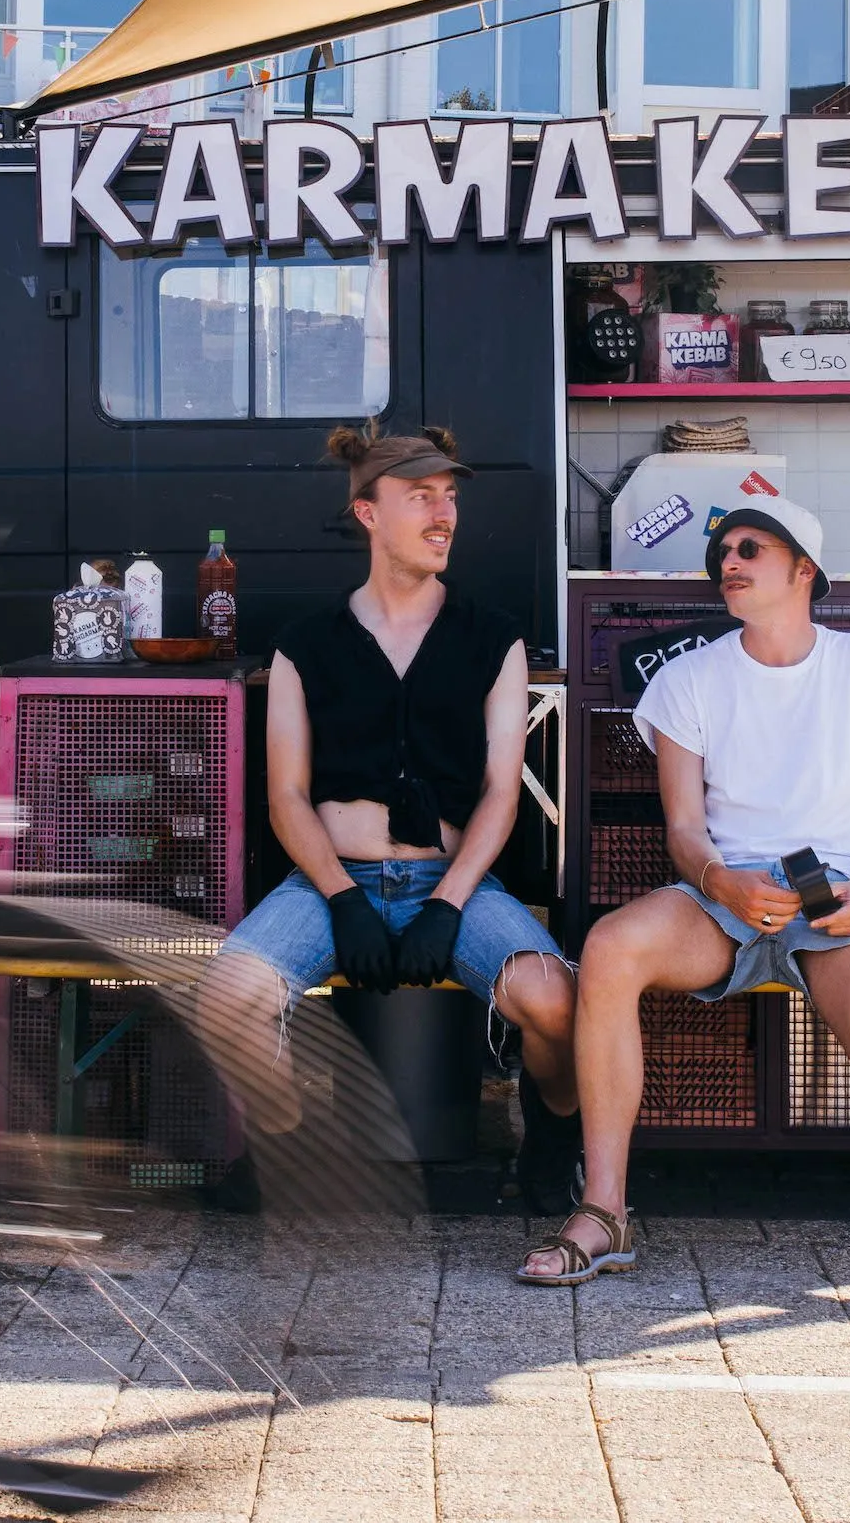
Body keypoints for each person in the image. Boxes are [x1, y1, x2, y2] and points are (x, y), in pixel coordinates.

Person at [519, 495, 850, 1314]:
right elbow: (683, 832)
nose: (730, 563)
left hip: (838, 905)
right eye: (722, 555)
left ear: (804, 568)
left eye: (751, 547)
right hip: (723, 899)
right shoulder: (689, 678)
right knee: (609, 946)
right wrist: (722, 882)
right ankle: (604, 1214)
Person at [201, 425, 582, 1209]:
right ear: (368, 512)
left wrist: (446, 904)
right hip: (329, 881)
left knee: (553, 999)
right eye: (421, 497)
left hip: (454, 881)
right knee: (223, 998)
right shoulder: (305, 643)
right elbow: (287, 797)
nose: (444, 515)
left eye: (450, 497)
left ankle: (549, 1134)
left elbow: (502, 794)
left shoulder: (493, 637)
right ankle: (287, 1150)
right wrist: (342, 896)